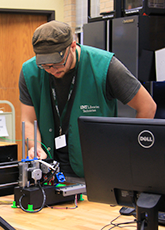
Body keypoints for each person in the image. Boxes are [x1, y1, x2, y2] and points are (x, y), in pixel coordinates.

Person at [19, 20, 156, 181]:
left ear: (72, 46)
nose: (52, 70)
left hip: (97, 171)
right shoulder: (30, 72)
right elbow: (28, 120)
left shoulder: (105, 66)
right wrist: (35, 147)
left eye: (57, 63)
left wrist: (129, 152)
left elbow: (147, 107)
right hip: (50, 171)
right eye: (45, 66)